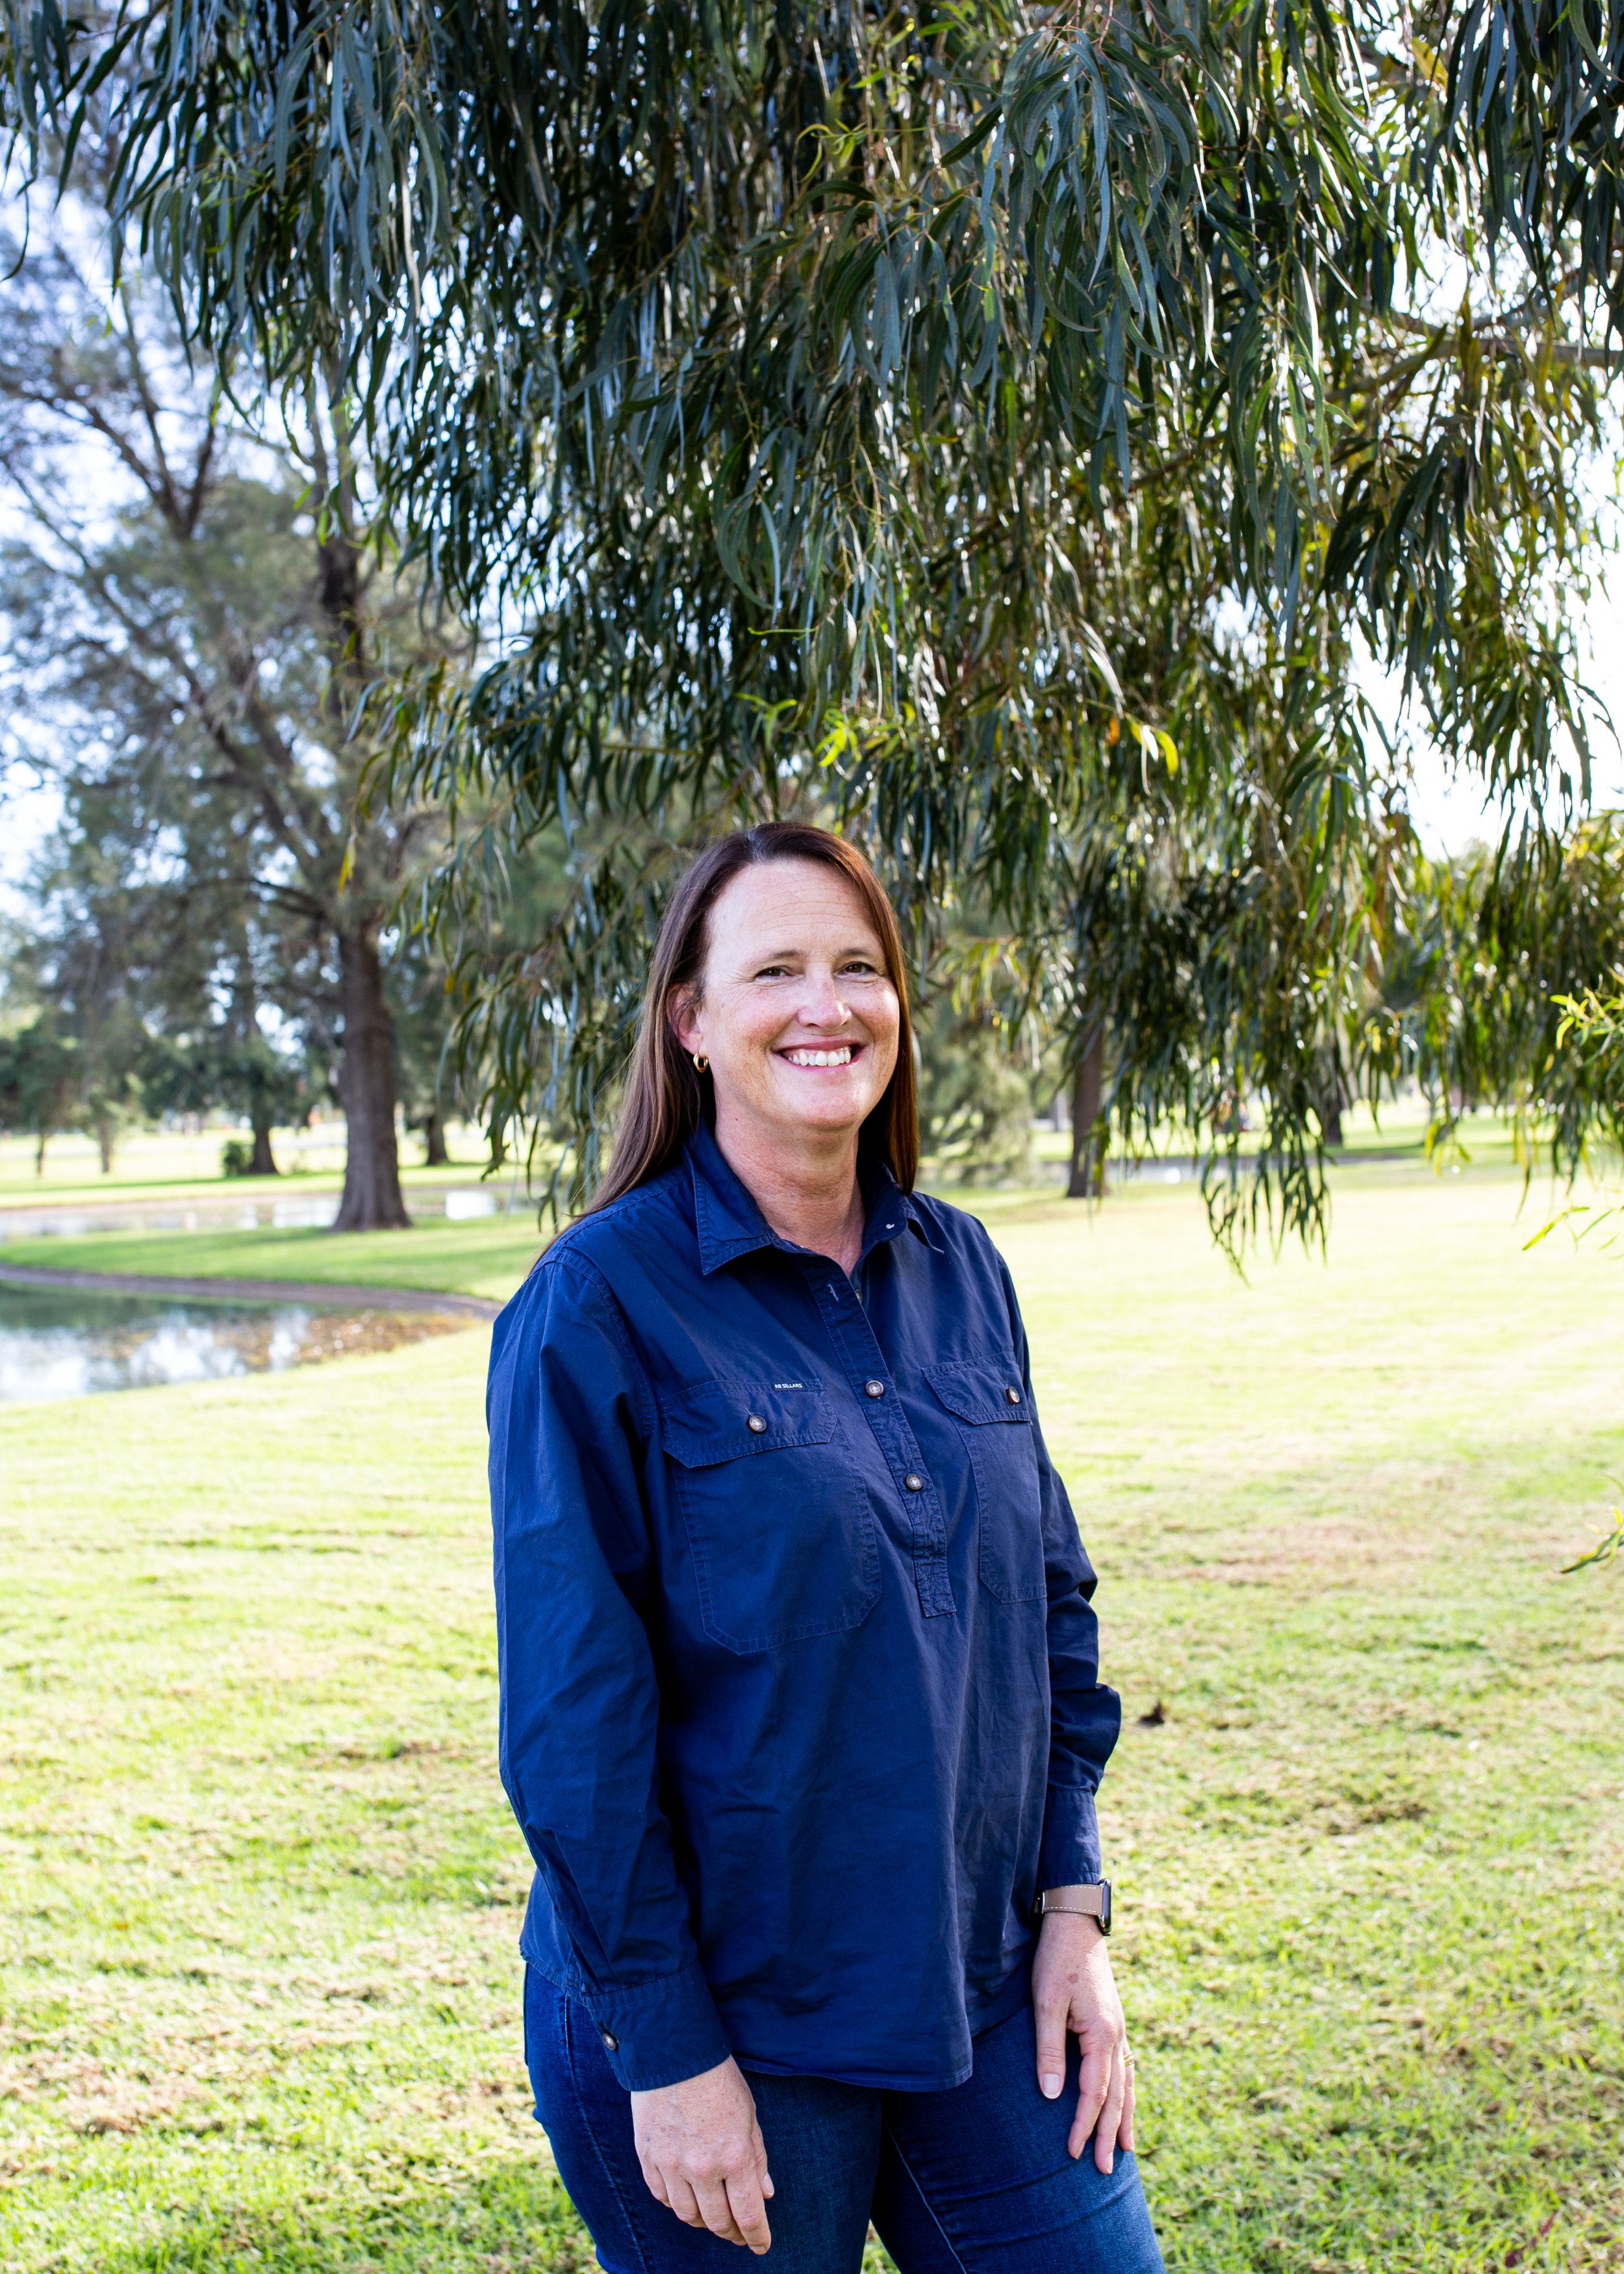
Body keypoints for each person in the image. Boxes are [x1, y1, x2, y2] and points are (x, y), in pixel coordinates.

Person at [487, 823, 1163, 2273]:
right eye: (776, 968)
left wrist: (1071, 1905)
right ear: (691, 1021)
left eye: (859, 966)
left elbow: (1045, 1613)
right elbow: (572, 1730)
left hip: (977, 1986)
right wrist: (667, 2057)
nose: (825, 1004)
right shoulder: (592, 1307)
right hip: (732, 2012)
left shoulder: (961, 1265)